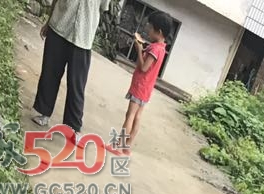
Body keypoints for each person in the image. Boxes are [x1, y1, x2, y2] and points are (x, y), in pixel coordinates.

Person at [31, 0, 111, 142]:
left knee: (76, 85)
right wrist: (48, 22)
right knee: (50, 74)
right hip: (59, 28)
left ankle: (73, 127)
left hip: (83, 38)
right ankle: (44, 113)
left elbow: (101, 9)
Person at [119, 9, 173, 154]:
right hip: (147, 89)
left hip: (140, 86)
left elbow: (143, 67)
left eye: (150, 27)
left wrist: (139, 49)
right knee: (137, 117)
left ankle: (119, 145)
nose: (148, 29)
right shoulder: (161, 48)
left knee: (129, 116)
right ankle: (127, 147)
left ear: (159, 31)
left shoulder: (154, 49)